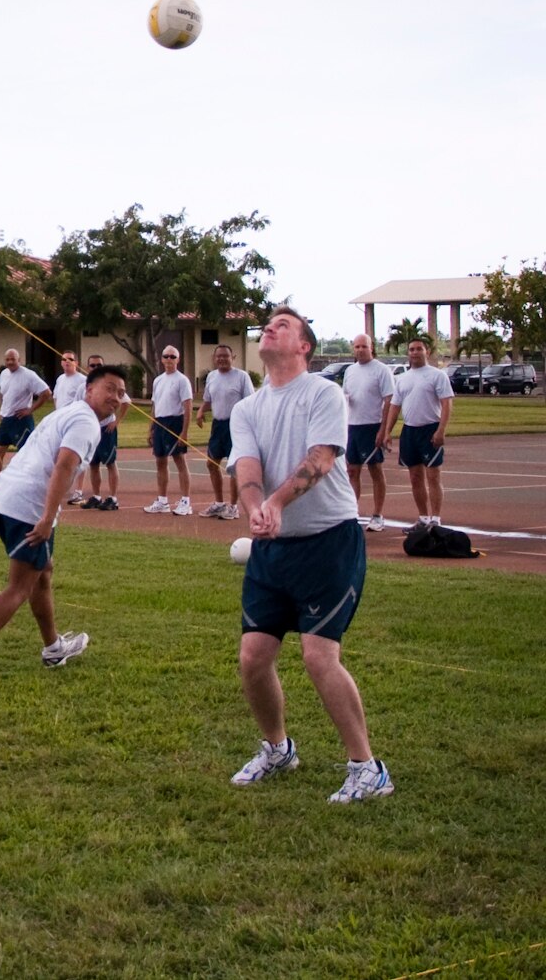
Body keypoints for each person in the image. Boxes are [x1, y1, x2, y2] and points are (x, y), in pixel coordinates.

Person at [228, 306, 391, 804]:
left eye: (283, 324)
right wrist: (257, 509)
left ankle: (367, 769)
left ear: (303, 345)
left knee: (319, 657)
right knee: (253, 658)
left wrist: (277, 503)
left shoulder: (322, 392)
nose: (270, 328)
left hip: (328, 541)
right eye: (268, 324)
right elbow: (248, 468)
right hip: (273, 550)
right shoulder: (247, 408)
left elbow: (321, 458)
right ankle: (278, 750)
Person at [0, 364, 128, 693]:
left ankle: (54, 648)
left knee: (44, 572)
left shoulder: (65, 415)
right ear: (89, 391)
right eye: (109, 388)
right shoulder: (85, 422)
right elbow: (64, 466)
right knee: (20, 586)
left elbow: (31, 457)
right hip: (29, 507)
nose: (116, 397)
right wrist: (46, 517)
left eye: (121, 392)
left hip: (12, 500)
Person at [385, 338, 452, 521]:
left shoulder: (437, 375)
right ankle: (423, 518)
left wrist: (441, 430)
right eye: (412, 349)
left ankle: (435, 519)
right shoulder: (402, 379)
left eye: (419, 349)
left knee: (433, 476)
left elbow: (446, 404)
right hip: (410, 431)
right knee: (415, 477)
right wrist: (387, 432)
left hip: (430, 429)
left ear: (426, 352)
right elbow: (394, 406)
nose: (415, 352)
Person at [342, 334, 397, 532]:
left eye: (363, 346)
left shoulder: (381, 371)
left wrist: (384, 429)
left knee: (375, 470)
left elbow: (389, 400)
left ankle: (377, 515)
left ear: (371, 348)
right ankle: (351, 512)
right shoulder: (350, 371)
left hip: (372, 425)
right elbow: (346, 396)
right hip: (352, 426)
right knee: (352, 471)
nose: (360, 350)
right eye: (356, 346)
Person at [195, 345, 255, 519]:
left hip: (235, 426)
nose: (221, 359)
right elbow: (208, 400)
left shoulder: (242, 377)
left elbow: (250, 403)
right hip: (217, 425)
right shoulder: (212, 377)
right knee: (211, 464)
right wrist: (200, 412)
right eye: (218, 356)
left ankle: (233, 506)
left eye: (225, 356)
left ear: (232, 357)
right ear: (214, 358)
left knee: (234, 467)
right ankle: (219, 503)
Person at [144, 346, 195, 516]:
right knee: (160, 462)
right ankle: (162, 500)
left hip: (175, 421)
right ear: (162, 359)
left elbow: (187, 407)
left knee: (179, 460)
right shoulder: (158, 380)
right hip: (160, 422)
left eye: (172, 356)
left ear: (177, 359)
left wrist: (184, 432)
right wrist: (151, 428)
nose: (169, 359)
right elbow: (155, 405)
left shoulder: (182, 380)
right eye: (166, 356)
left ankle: (186, 501)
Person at [0, 349, 48, 489]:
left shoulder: (28, 375)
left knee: (26, 455)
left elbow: (46, 393)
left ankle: (28, 484)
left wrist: (30, 410)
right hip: (6, 420)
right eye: (7, 360)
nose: (10, 362)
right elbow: (2, 393)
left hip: (21, 420)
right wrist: (2, 410)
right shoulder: (4, 374)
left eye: (13, 359)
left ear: (19, 360)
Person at [81, 354, 121, 510]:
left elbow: (125, 403)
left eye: (99, 366)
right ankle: (96, 496)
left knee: (110, 462)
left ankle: (113, 498)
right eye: (93, 366)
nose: (95, 368)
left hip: (106, 428)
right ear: (87, 367)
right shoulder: (84, 386)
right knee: (93, 463)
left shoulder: (111, 385)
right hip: (92, 428)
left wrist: (115, 421)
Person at [51, 353, 87, 506]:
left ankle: (78, 490)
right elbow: (56, 398)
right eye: (64, 359)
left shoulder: (82, 380)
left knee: (77, 455)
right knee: (58, 454)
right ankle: (59, 485)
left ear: (76, 362)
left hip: (75, 422)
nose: (67, 362)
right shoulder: (60, 379)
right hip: (60, 421)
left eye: (70, 359)